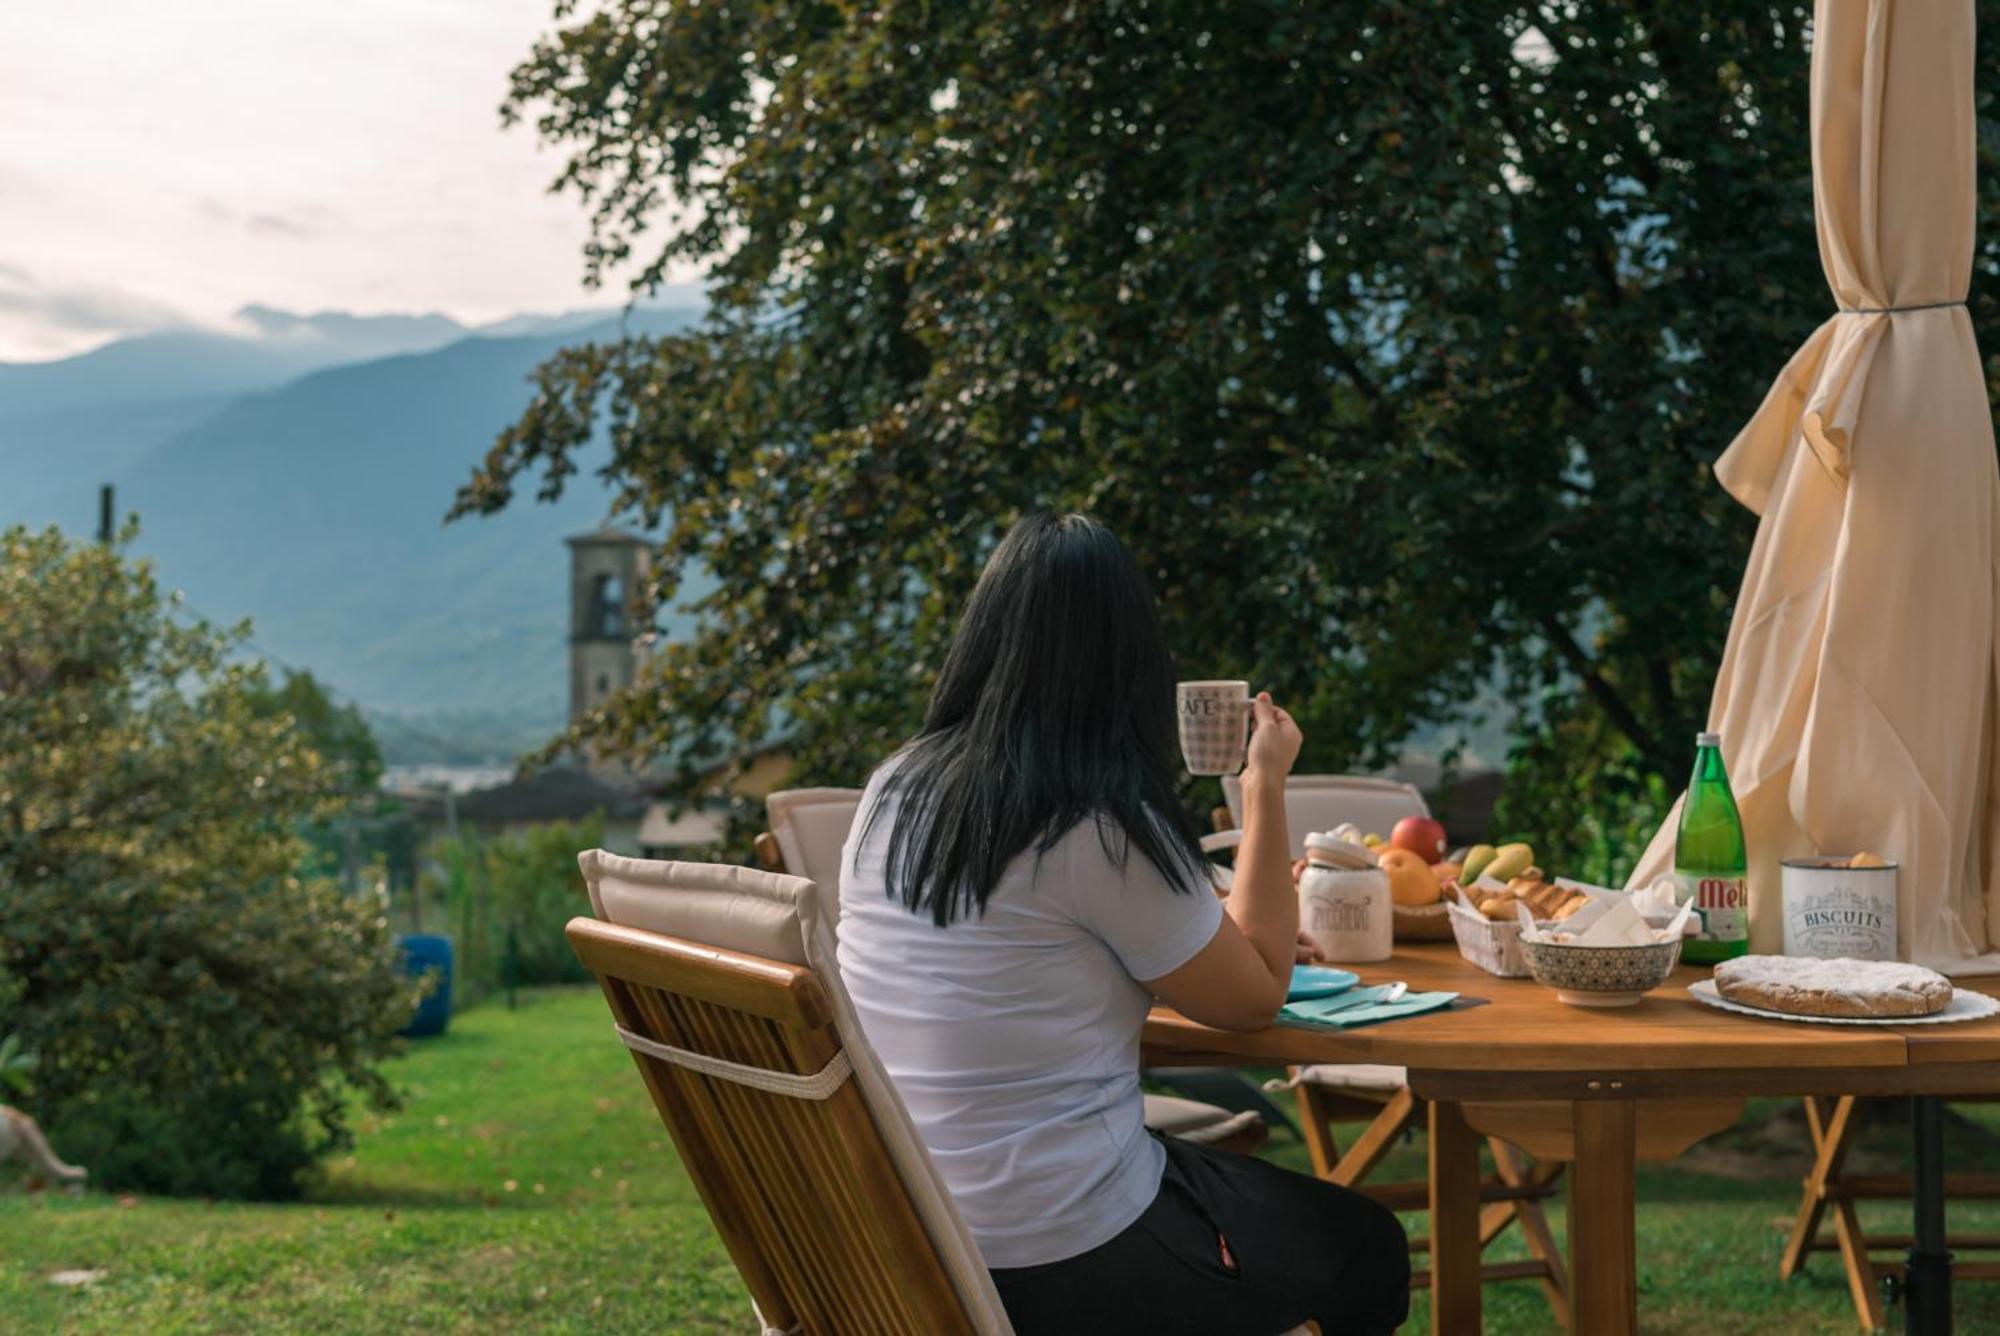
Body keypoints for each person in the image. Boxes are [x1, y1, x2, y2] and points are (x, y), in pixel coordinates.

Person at [837, 512, 1409, 1335]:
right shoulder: (1097, 822)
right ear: (1128, 658)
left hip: (902, 1231)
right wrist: (1265, 786)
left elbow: (1020, 934)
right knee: (1365, 1247)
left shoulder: (893, 788)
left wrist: (1199, 924)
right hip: (1057, 1248)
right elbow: (1252, 998)